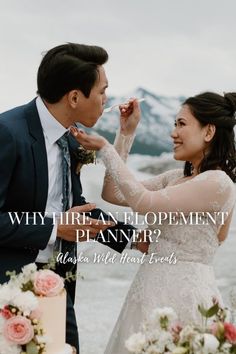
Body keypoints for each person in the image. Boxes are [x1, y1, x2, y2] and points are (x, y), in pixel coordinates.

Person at [71, 92, 236, 354]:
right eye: (174, 124)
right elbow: (113, 192)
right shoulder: (174, 178)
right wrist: (125, 134)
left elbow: (144, 203)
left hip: (184, 295)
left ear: (209, 132)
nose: (173, 133)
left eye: (181, 124)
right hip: (147, 289)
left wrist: (104, 148)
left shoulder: (218, 182)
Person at [0, 43, 138, 353]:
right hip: (8, 288)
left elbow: (76, 207)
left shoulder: (70, 137)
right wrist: (54, 228)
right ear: (74, 97)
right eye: (102, 92)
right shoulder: (8, 132)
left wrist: (136, 239)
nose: (106, 101)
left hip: (59, 282)